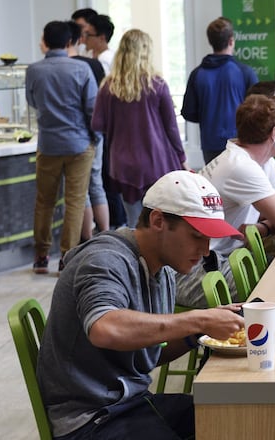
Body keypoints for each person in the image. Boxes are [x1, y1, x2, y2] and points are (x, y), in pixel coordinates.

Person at [36, 170, 245, 439]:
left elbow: (149, 355)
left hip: (134, 404)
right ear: (158, 220)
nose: (206, 250)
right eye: (196, 236)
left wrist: (195, 335)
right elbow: (105, 328)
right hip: (92, 420)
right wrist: (198, 319)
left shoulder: (163, 270)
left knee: (238, 418)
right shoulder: (104, 259)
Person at [176, 95, 275, 308]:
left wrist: (264, 226)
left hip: (220, 260)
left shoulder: (260, 160)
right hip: (196, 271)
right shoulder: (241, 166)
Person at [92, 29, 188, 227]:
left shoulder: (108, 86)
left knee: (135, 224)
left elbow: (97, 124)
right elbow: (171, 127)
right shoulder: (157, 84)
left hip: (123, 165)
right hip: (155, 161)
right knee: (162, 221)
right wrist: (182, 158)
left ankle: (137, 258)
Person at [26, 21, 97, 274]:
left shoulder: (33, 70)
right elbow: (92, 109)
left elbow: (32, 101)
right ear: (69, 43)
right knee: (75, 201)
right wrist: (94, 138)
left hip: (48, 143)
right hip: (78, 144)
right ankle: (67, 257)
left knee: (44, 201)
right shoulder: (81, 69)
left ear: (45, 40)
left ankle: (41, 255)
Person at [182, 17, 258, 165]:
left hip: (210, 143)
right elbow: (258, 112)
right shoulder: (245, 72)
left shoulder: (197, 74)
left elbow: (188, 112)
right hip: (240, 143)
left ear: (210, 42)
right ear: (231, 41)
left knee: (214, 186)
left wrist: (209, 114)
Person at [65, 21, 109, 242]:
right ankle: (106, 233)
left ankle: (89, 238)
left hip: (76, 135)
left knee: (80, 191)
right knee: (96, 183)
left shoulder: (67, 67)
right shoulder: (94, 64)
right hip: (95, 132)